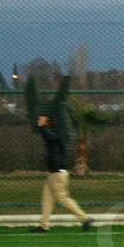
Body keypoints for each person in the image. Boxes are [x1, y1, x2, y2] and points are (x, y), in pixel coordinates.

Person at [26, 75, 93, 232]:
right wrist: (44, 125)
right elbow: (47, 134)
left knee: (62, 198)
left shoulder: (56, 136)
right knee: (47, 199)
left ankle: (85, 218)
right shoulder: (57, 135)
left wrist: (43, 125)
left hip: (57, 172)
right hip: (53, 172)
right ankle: (44, 225)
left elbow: (48, 135)